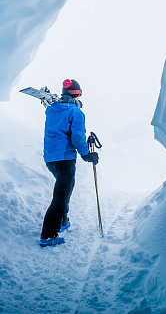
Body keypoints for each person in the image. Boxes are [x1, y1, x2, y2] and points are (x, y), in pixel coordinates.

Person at [39, 78, 99, 247]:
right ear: (76, 94)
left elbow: (54, 106)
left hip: (50, 158)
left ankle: (63, 220)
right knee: (61, 196)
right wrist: (87, 154)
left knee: (66, 187)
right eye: (79, 94)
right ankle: (48, 235)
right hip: (65, 158)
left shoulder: (52, 108)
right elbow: (77, 137)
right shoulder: (76, 113)